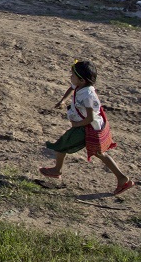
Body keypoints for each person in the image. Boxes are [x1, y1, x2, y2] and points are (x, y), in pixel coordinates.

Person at [40, 60, 135, 196]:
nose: (70, 77)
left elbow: (90, 118)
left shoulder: (88, 95)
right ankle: (122, 178)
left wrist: (76, 126)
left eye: (72, 75)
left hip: (87, 128)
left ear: (82, 80)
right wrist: (63, 100)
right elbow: (72, 87)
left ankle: (57, 170)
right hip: (88, 126)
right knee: (99, 153)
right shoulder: (81, 85)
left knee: (62, 144)